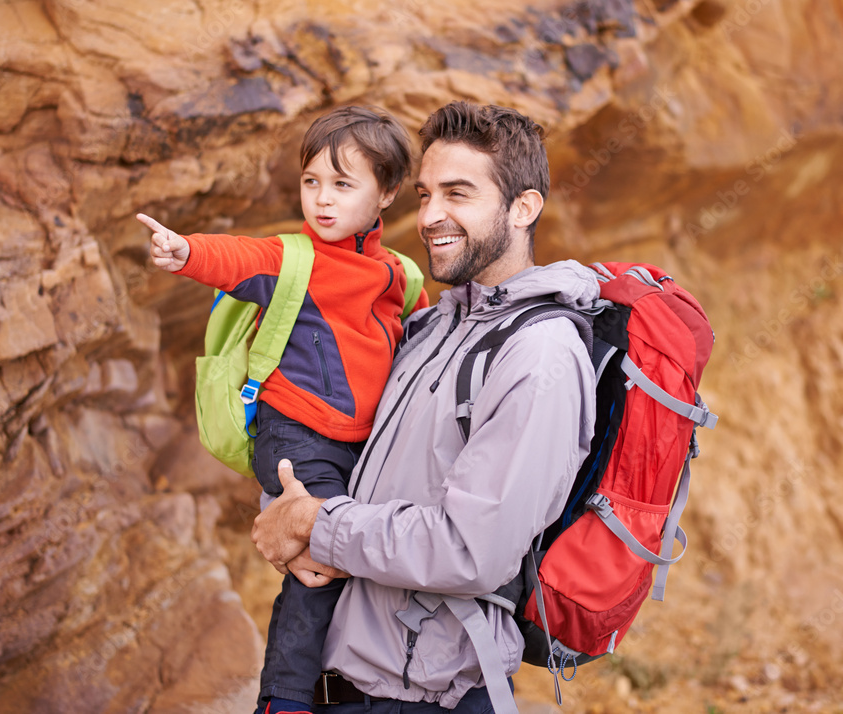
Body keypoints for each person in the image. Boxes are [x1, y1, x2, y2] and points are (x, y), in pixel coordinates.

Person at [250, 101, 599, 713]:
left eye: (458, 194)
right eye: (425, 193)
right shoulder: (428, 328)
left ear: (524, 208)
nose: (431, 215)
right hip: (339, 686)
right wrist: (287, 502)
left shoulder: (539, 356)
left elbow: (470, 550)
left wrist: (316, 524)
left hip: (428, 697)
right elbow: (336, 449)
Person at [139, 105, 430, 714]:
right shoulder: (291, 258)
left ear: (387, 195)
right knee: (319, 561)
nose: (322, 199)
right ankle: (285, 699)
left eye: (343, 185)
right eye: (311, 182)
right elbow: (236, 258)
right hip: (295, 433)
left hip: (363, 445)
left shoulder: (399, 276)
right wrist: (184, 249)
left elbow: (426, 340)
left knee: (365, 561)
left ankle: (355, 687)